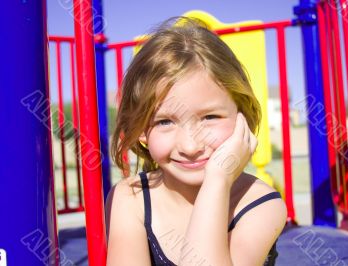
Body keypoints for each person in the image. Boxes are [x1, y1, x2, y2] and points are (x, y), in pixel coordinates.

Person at [106, 17, 287, 266]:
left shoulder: (260, 204)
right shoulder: (131, 197)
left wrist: (218, 180)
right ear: (142, 131)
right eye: (165, 122)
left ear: (242, 117)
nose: (190, 147)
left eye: (210, 117)